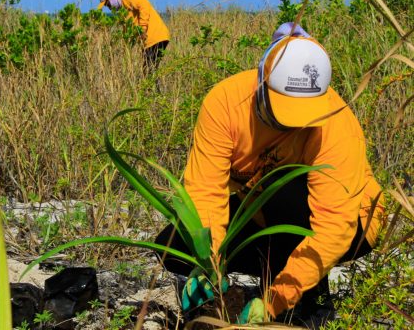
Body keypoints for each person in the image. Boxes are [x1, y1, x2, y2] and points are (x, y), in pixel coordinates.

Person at [156, 23, 385, 325]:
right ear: (261, 85)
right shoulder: (225, 102)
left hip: (352, 224)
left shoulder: (336, 122)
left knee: (280, 185)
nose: (294, 126)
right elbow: (206, 192)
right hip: (266, 213)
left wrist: (275, 300)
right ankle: (263, 276)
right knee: (172, 246)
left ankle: (313, 303)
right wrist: (207, 263)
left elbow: (334, 225)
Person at [97, 0, 170, 75]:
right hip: (150, 41)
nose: (109, 7)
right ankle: (156, 89)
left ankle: (154, 89)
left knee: (148, 71)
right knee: (150, 71)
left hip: (155, 37)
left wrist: (142, 28)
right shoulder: (123, 10)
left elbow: (144, 6)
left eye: (107, 4)